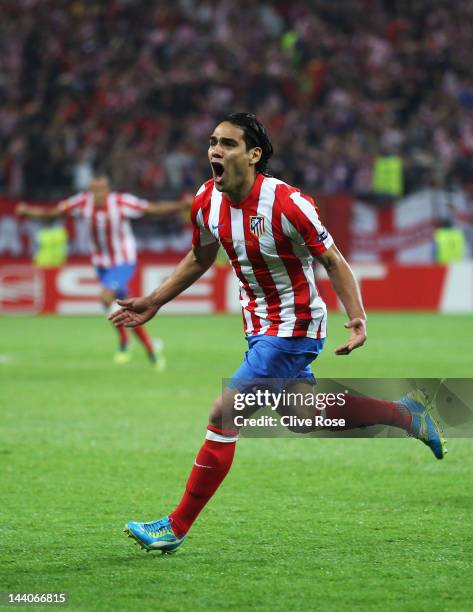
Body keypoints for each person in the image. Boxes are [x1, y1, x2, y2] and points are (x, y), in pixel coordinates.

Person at [109, 113, 446, 554]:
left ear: (254, 155)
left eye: (228, 144)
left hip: (295, 326)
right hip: (258, 326)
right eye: (212, 142)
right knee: (301, 417)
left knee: (224, 412)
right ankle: (406, 414)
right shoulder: (206, 201)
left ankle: (175, 526)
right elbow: (199, 257)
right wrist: (155, 299)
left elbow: (333, 261)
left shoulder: (288, 204)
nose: (215, 151)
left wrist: (358, 316)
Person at [17, 175, 191, 367]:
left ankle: (124, 340)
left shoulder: (120, 202)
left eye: (101, 190)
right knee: (127, 308)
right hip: (101, 264)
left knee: (106, 297)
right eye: (94, 190)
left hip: (123, 260)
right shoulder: (82, 202)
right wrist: (28, 211)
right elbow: (53, 213)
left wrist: (179, 206)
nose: (98, 194)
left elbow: (152, 209)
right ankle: (150, 348)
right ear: (90, 190)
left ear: (107, 189)